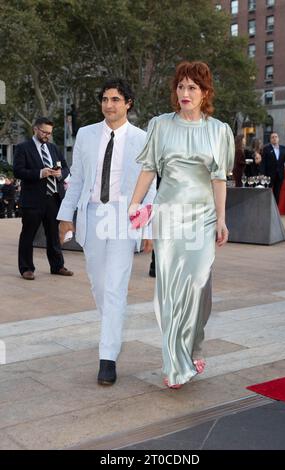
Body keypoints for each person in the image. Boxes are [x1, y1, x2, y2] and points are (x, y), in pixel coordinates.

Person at [129, 61, 234, 388]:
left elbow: (218, 179)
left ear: (205, 93)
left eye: (193, 87)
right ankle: (176, 362)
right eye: (181, 86)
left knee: (198, 283)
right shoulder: (160, 125)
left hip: (202, 217)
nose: (185, 93)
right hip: (169, 217)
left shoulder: (218, 130)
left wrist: (221, 219)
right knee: (171, 290)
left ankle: (195, 342)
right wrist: (136, 203)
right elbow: (148, 169)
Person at [57, 78, 156, 386]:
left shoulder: (142, 138)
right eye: (104, 99)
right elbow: (77, 178)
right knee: (100, 286)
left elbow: (150, 186)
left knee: (115, 287)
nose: (109, 104)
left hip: (123, 217)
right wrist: (66, 215)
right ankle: (110, 328)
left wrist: (148, 228)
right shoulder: (86, 135)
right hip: (92, 215)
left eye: (115, 99)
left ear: (128, 103)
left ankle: (107, 358)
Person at [13, 117, 73, 280]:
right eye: (44, 132)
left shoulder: (53, 148)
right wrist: (41, 173)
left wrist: (60, 173)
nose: (47, 135)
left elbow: (66, 168)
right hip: (32, 200)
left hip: (53, 198)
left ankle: (57, 266)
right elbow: (18, 171)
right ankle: (26, 268)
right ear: (35, 129)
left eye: (49, 133)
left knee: (54, 235)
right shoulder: (22, 148)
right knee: (28, 235)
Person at [261, 132, 285, 203]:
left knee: (277, 193)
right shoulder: (266, 149)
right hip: (269, 175)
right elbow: (263, 162)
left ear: (278, 139)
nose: (274, 138)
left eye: (276, 137)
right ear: (270, 139)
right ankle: (267, 209)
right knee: (267, 192)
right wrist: (262, 174)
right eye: (272, 137)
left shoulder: (283, 149)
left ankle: (275, 211)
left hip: (280, 175)